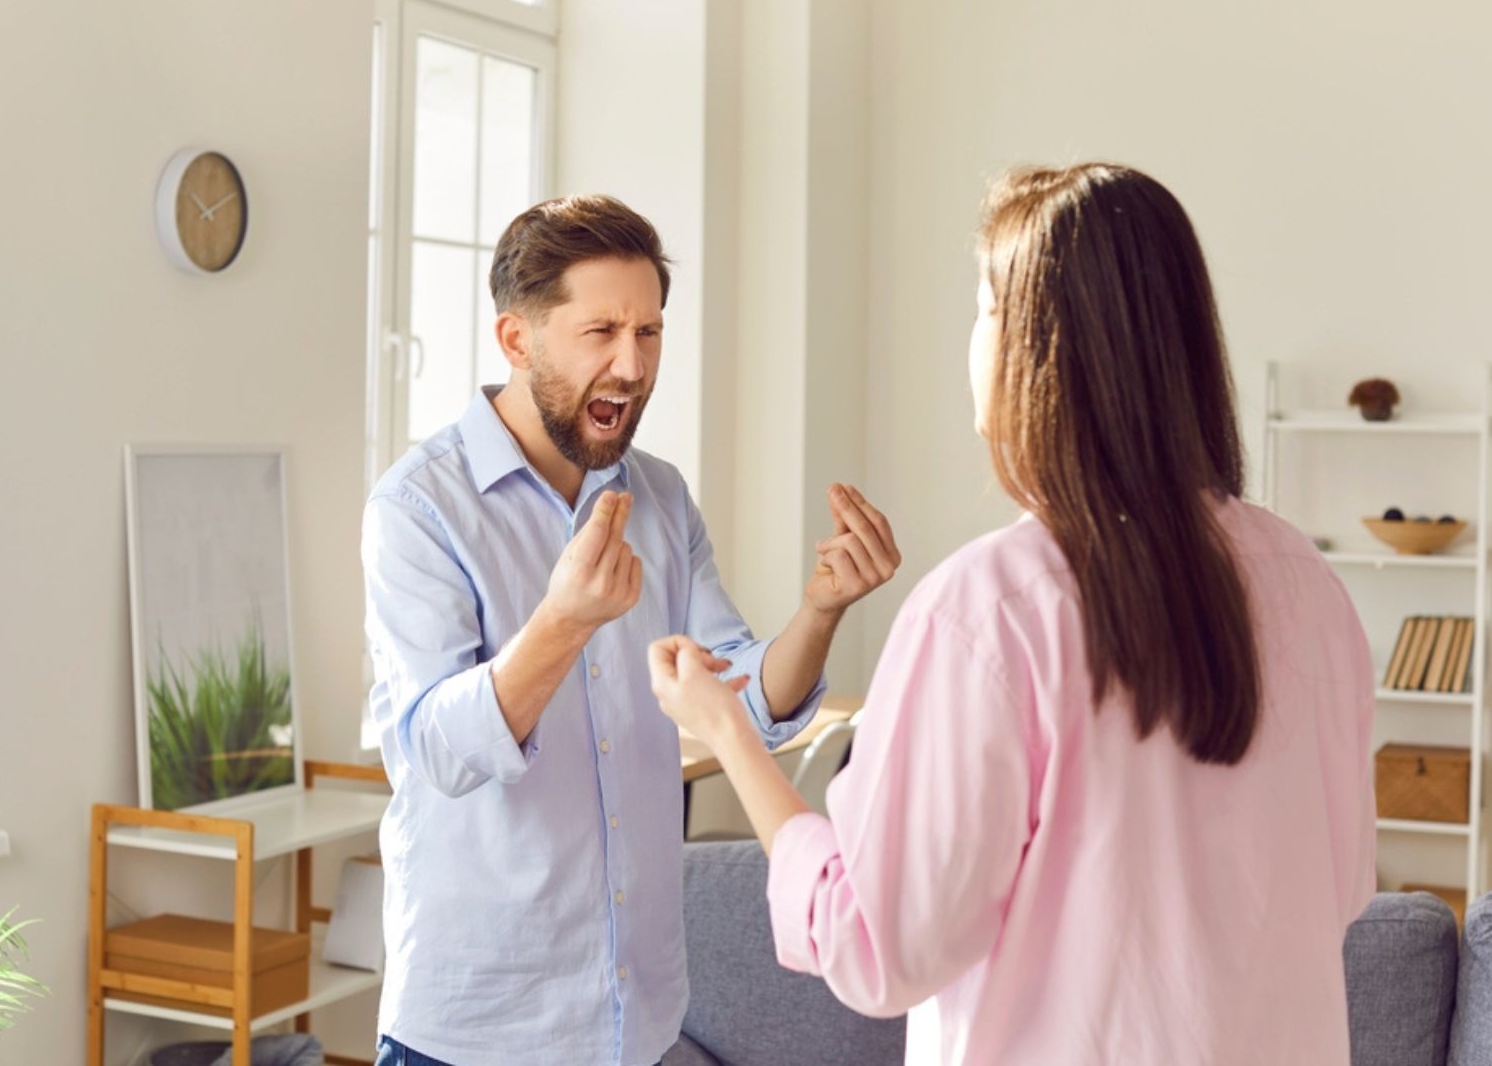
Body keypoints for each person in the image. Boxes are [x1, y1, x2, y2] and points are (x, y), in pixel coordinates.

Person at [650, 163, 1376, 1065]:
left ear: (1034, 345)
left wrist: (729, 735)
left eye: (985, 307)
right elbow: (1342, 888)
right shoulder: (1306, 581)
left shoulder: (988, 610)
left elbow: (874, 947)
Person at [361, 194, 901, 1066]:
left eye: (648, 332)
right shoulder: (420, 508)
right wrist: (563, 622)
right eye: (601, 331)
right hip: (478, 1030)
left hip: (635, 1020)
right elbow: (436, 751)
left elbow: (741, 696)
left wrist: (822, 610)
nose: (632, 363)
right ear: (516, 340)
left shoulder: (658, 494)